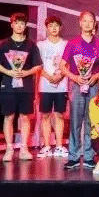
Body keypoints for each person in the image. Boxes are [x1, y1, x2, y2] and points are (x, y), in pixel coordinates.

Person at [0, 13, 42, 161]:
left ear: (25, 26)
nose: (19, 26)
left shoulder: (31, 45)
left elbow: (38, 65)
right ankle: (9, 148)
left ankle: (24, 148)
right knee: (8, 116)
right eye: (17, 23)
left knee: (25, 117)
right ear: (12, 25)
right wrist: (9, 72)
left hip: (25, 85)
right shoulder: (3, 44)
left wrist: (26, 72)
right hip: (8, 85)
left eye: (22, 23)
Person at [62, 11, 99, 169]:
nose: (87, 24)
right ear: (80, 23)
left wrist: (96, 76)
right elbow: (62, 66)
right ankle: (73, 156)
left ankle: (88, 156)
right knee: (75, 121)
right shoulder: (72, 43)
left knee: (91, 121)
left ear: (94, 24)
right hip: (77, 85)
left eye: (90, 21)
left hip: (94, 86)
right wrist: (74, 77)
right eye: (84, 21)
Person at [35, 16, 69, 158]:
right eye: (51, 25)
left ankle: (59, 146)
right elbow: (37, 65)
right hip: (45, 85)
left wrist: (60, 76)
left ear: (60, 28)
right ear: (47, 28)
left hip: (61, 85)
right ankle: (47, 146)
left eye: (56, 25)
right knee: (45, 115)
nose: (54, 28)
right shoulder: (40, 45)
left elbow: (68, 64)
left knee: (60, 115)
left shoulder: (66, 44)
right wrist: (49, 77)